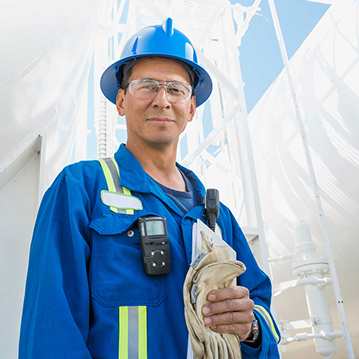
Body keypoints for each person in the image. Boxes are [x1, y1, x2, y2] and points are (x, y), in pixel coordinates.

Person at [19, 18, 280, 358]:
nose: (162, 100)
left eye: (175, 89)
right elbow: (52, 330)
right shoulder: (81, 190)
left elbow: (261, 312)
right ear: (121, 101)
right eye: (147, 86)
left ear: (191, 110)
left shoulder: (218, 219)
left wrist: (251, 328)